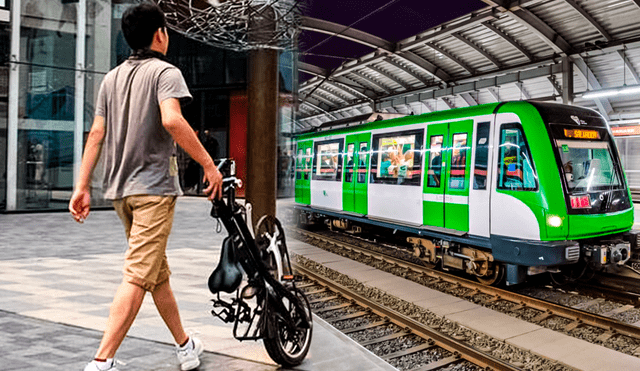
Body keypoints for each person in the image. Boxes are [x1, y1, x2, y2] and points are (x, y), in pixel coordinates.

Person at [68, 4, 223, 371]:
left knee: (157, 274)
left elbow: (96, 135)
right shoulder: (165, 72)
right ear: (160, 34)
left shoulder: (112, 78)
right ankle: (101, 362)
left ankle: (185, 347)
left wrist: (81, 186)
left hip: (121, 192)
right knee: (139, 274)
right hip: (153, 189)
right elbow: (172, 119)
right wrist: (208, 164)